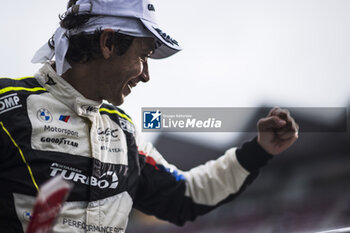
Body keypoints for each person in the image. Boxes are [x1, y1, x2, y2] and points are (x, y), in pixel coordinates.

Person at [0, 0, 298, 232]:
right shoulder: (7, 107)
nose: (146, 75)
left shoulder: (123, 132)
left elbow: (185, 195)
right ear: (108, 43)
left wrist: (258, 151)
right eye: (143, 56)